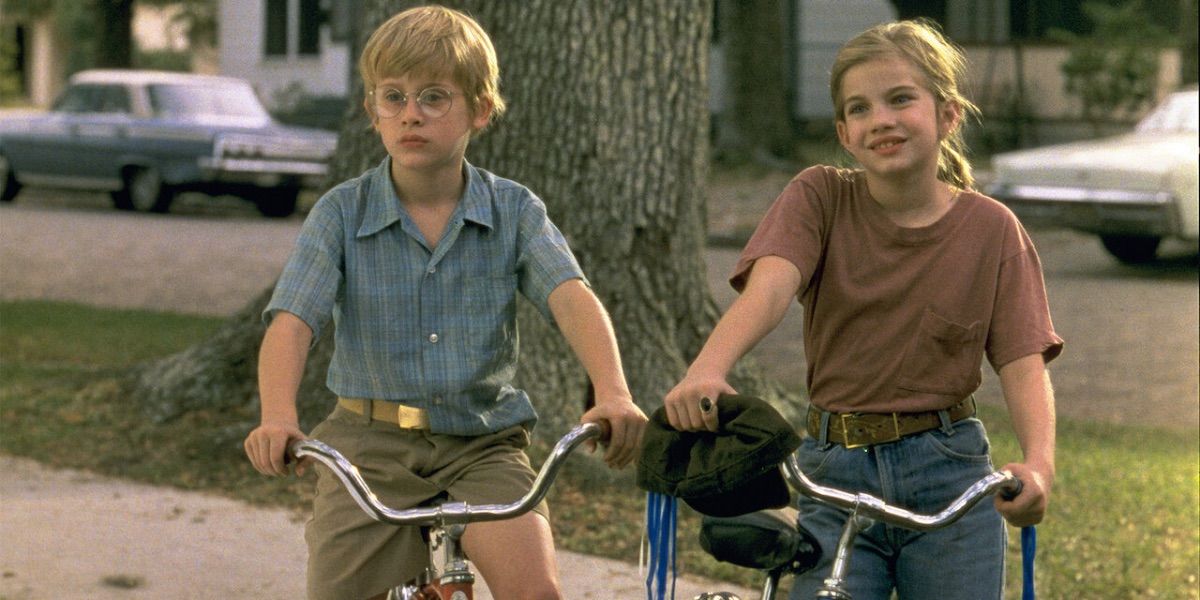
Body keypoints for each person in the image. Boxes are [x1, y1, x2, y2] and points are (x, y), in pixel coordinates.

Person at [242, 6, 647, 599]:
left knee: (537, 592)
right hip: (367, 444)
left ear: (480, 111)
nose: (411, 114)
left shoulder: (514, 211)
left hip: (482, 442)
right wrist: (277, 415)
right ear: (372, 112)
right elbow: (293, 320)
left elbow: (570, 297)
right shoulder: (341, 212)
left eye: (435, 97)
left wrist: (612, 392)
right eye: (394, 97)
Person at [663, 19, 1062, 599]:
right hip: (833, 472)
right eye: (859, 108)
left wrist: (1040, 464)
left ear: (947, 114)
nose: (881, 119)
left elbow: (1024, 362)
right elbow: (769, 289)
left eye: (901, 98)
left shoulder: (993, 230)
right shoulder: (819, 196)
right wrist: (708, 368)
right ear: (845, 134)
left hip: (950, 474)